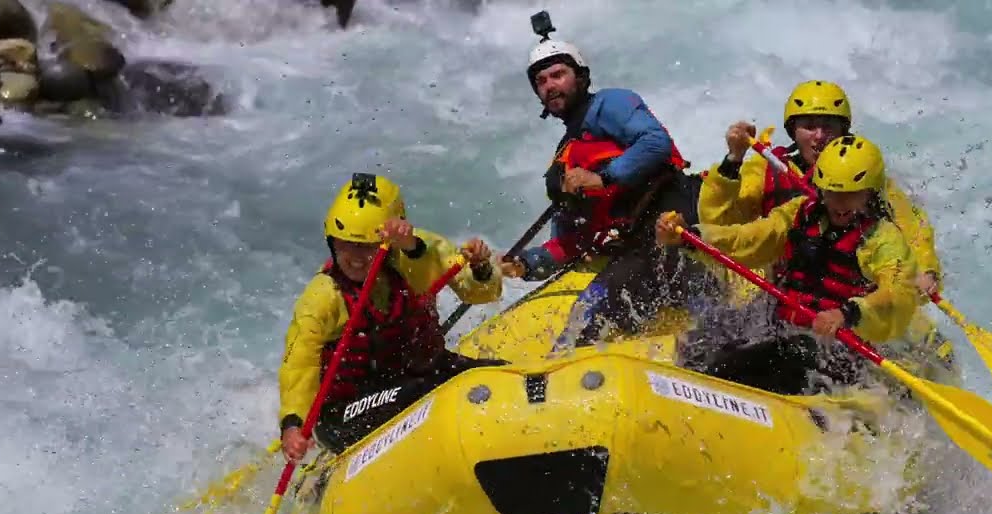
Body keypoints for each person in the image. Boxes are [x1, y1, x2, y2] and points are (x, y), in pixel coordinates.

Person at [697, 79, 953, 375]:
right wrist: (733, 159)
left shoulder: (868, 183)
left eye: (828, 127)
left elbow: (911, 231)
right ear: (794, 131)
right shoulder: (767, 169)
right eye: (809, 126)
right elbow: (719, 221)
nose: (819, 137)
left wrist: (926, 271)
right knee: (712, 339)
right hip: (784, 288)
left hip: (853, 304)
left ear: (843, 131)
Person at [498, 19, 719, 349]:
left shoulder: (610, 104)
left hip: (674, 222)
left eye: (558, 75)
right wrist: (528, 263)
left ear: (581, 77)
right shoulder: (565, 158)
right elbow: (575, 238)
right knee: (586, 312)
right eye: (541, 82)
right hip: (636, 249)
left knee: (597, 308)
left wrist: (603, 178)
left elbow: (655, 142)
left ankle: (726, 334)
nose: (549, 86)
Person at [656, 136, 920, 396]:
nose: (840, 203)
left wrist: (847, 314)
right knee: (708, 345)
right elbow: (751, 238)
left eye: (851, 195)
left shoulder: (883, 237)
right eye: (833, 192)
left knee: (771, 359)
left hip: (840, 346)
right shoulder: (799, 213)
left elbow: (896, 292)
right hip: (781, 327)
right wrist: (693, 236)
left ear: (870, 194)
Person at [278, 173, 506, 462]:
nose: (355, 257)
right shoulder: (324, 296)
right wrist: (292, 424)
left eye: (368, 246)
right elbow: (299, 362)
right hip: (346, 412)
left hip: (424, 373)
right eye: (345, 244)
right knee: (421, 392)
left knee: (499, 375)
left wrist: (482, 266)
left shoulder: (419, 254)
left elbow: (482, 293)